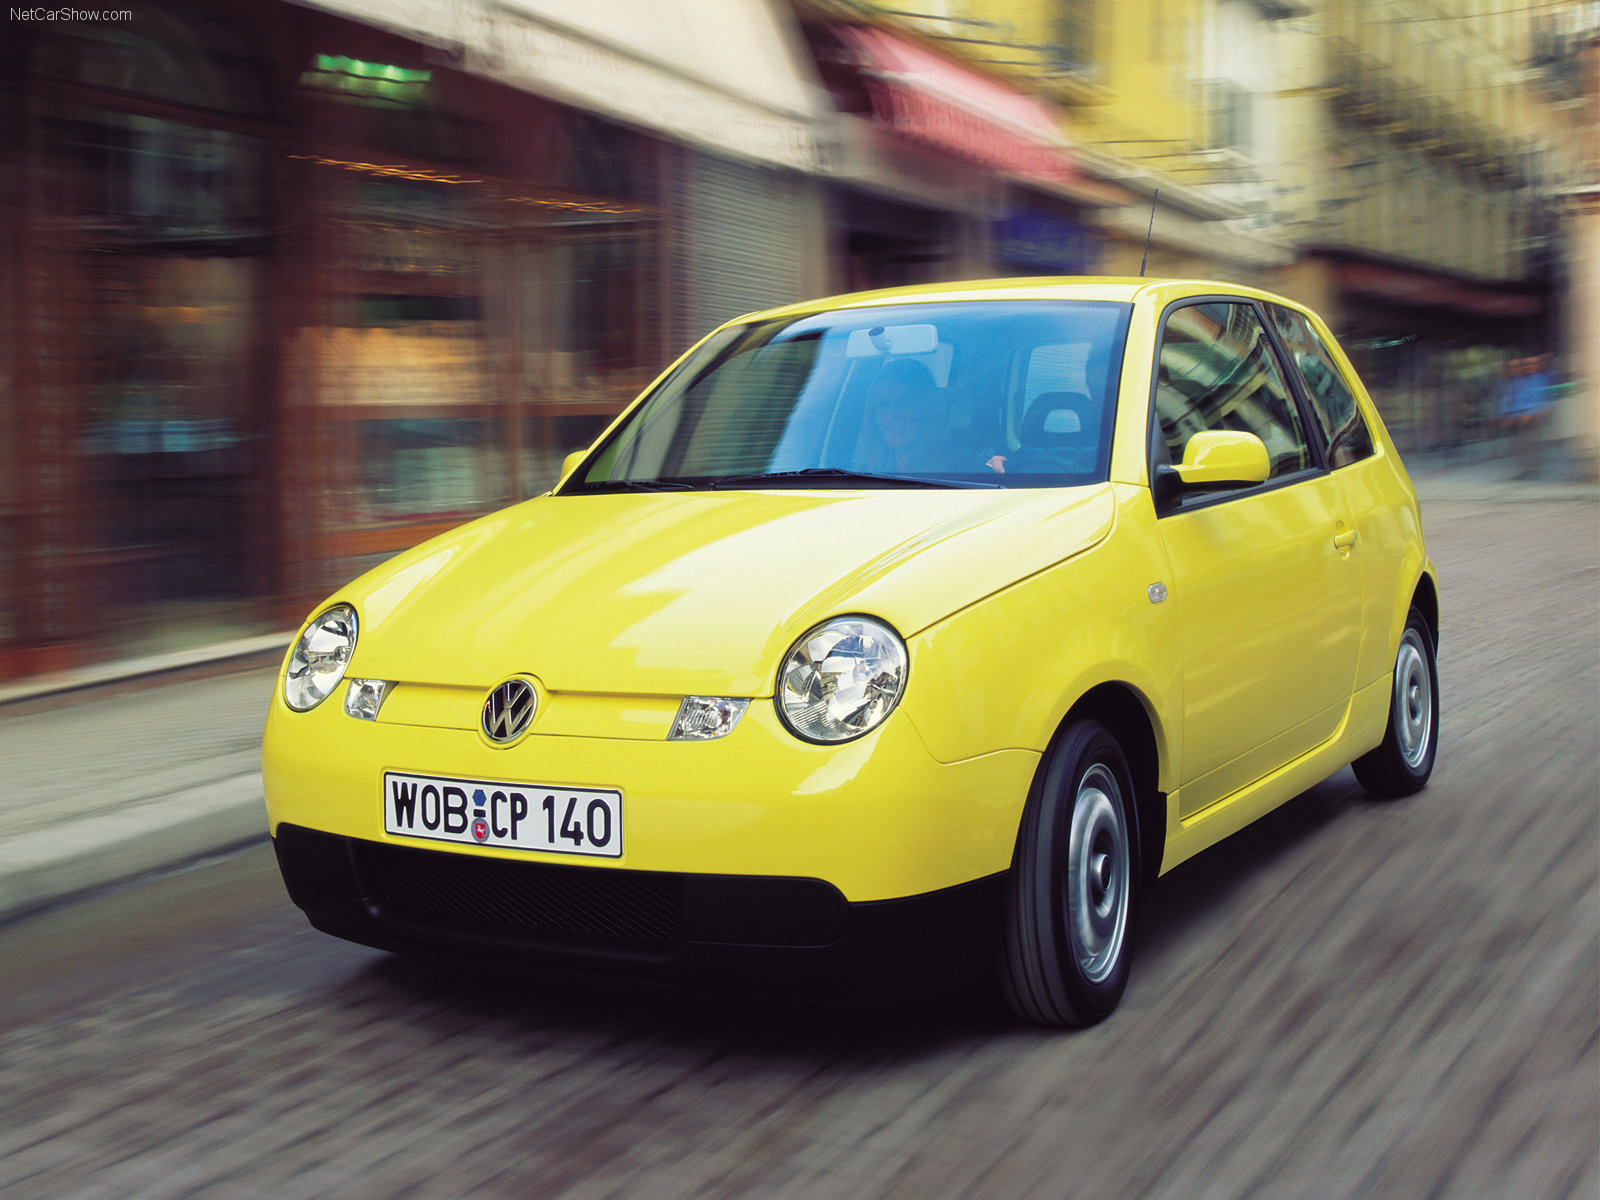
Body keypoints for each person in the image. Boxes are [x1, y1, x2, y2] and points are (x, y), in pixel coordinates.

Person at [1500, 354, 1555, 479]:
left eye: (1531, 364)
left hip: (1534, 417)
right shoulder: (1518, 381)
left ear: (1536, 365)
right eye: (1525, 364)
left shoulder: (1541, 380)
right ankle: (1524, 470)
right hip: (1520, 417)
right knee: (1520, 445)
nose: (1528, 366)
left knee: (1533, 444)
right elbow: (1514, 400)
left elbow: (1544, 400)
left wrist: (1532, 413)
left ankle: (1534, 469)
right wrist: (1511, 415)